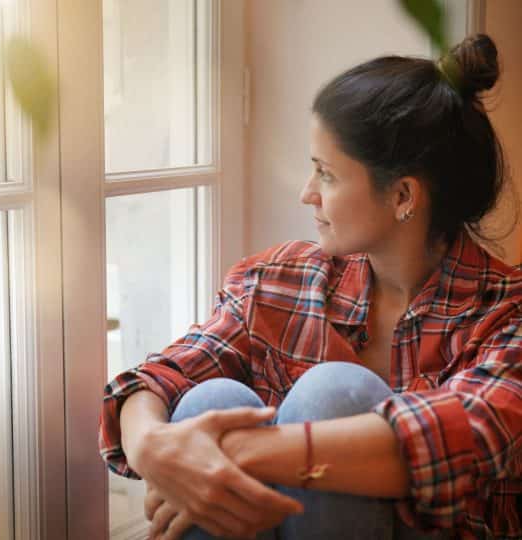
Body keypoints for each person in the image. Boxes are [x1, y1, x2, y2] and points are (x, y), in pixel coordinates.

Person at [99, 34, 521, 540]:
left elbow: (457, 436)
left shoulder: (507, 314)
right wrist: (154, 446)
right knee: (210, 400)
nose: (307, 193)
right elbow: (157, 378)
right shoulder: (280, 280)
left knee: (334, 394)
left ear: (403, 195)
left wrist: (218, 455)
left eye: (326, 173)